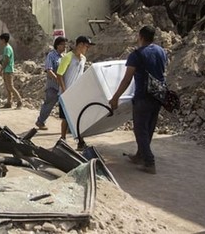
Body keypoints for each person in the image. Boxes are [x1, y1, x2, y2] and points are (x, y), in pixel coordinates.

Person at [109, 25, 166, 175]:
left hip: (143, 96)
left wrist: (115, 98)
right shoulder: (161, 51)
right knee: (149, 128)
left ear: (140, 37)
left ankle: (149, 162)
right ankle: (140, 155)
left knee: (140, 130)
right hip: (159, 95)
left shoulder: (136, 55)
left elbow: (127, 80)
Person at [56, 36, 95, 147]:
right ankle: (63, 139)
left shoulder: (83, 58)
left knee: (78, 117)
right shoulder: (67, 57)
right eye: (86, 46)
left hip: (77, 93)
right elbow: (59, 75)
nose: (87, 49)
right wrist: (65, 91)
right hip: (66, 93)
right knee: (66, 118)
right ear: (80, 45)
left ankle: (80, 141)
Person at [35, 36, 68, 130]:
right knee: (49, 104)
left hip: (62, 86)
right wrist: (57, 79)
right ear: (57, 45)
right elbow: (49, 70)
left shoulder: (64, 56)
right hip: (53, 86)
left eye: (65, 45)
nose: (65, 47)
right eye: (63, 45)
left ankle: (68, 126)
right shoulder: (51, 55)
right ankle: (40, 122)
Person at [0, 33, 22, 109]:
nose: (0, 42)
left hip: (8, 70)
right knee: (7, 87)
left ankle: (19, 101)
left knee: (10, 87)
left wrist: (1, 69)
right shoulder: (6, 47)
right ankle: (9, 102)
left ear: (3, 40)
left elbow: (7, 60)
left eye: (1, 40)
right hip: (6, 70)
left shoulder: (7, 48)